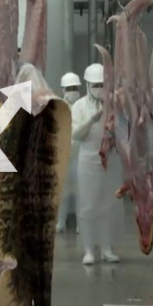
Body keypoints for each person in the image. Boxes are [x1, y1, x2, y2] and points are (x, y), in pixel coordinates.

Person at [72, 64, 124, 265]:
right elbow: (76, 134)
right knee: (88, 206)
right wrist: (92, 120)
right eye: (95, 85)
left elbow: (124, 132)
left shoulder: (115, 105)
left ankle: (107, 248)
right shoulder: (80, 106)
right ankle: (88, 250)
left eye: (102, 84)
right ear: (87, 85)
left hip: (110, 161)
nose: (99, 88)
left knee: (109, 205)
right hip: (87, 161)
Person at [57, 72, 82, 234]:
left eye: (74, 88)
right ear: (63, 90)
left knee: (81, 192)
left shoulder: (83, 106)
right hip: (63, 155)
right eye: (69, 88)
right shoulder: (57, 107)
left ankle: (81, 223)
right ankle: (61, 222)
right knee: (63, 192)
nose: (72, 91)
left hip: (80, 155)